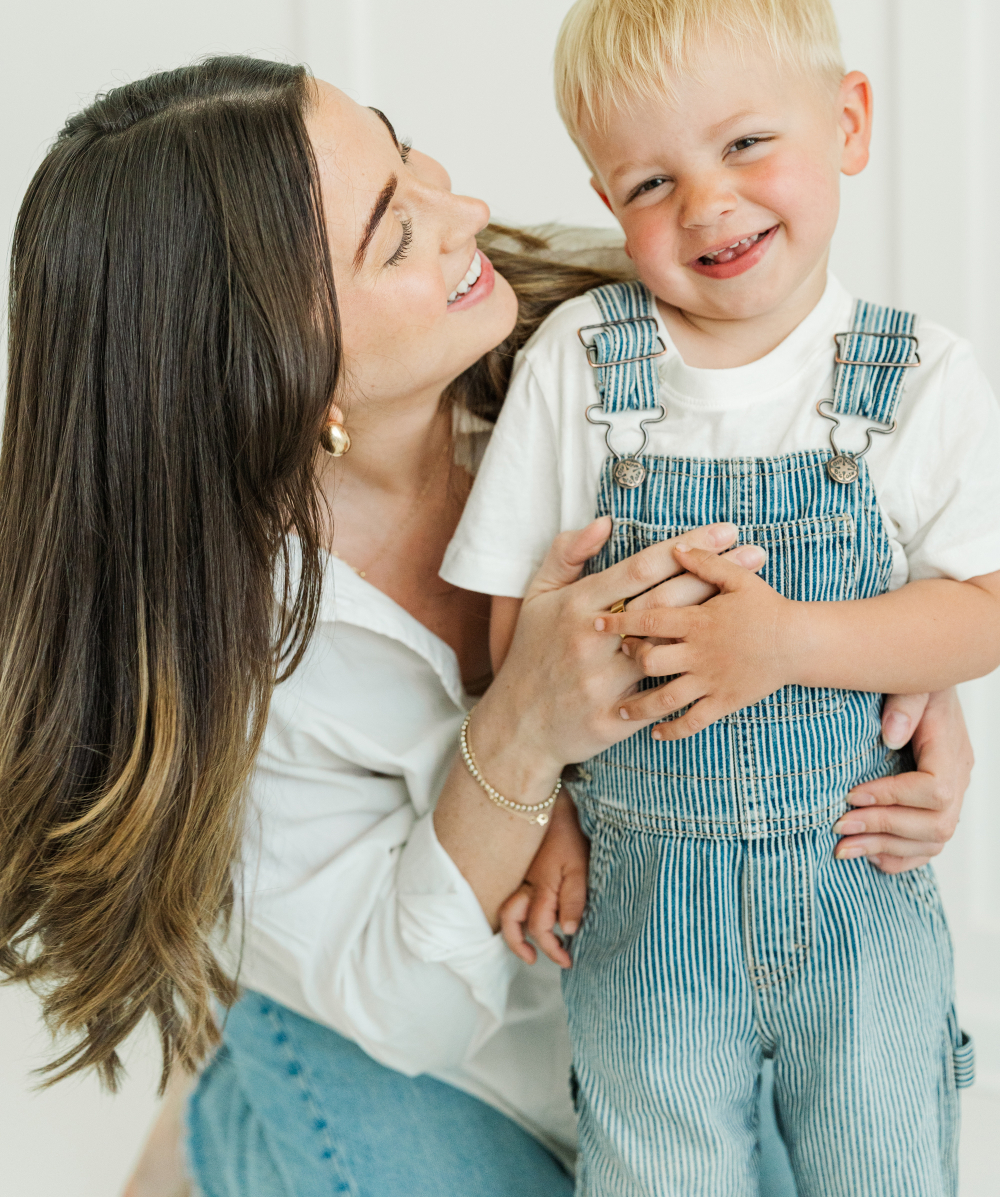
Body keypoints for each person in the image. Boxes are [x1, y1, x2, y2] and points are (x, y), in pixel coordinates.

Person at [0, 58, 971, 1197]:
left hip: (668, 987)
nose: (467, 214)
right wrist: (522, 729)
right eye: (395, 235)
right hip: (396, 1051)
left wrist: (901, 673)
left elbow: (885, 501)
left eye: (406, 153)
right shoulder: (195, 663)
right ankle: (224, 1131)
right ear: (276, 367)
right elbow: (404, 1013)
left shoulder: (612, 350)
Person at [442, 0, 999, 1197]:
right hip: (644, 909)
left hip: (855, 882)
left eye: (747, 143)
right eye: (646, 184)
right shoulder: (580, 365)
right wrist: (555, 814)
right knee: (655, 1166)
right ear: (606, 205)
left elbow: (983, 608)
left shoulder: (915, 377)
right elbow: (509, 620)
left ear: (848, 122)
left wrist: (795, 641)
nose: (705, 204)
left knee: (883, 1163)